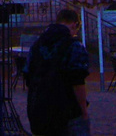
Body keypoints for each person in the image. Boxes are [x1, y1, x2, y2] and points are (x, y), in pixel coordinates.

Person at [25, 8, 90, 136]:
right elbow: (77, 81)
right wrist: (84, 110)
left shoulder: (37, 45)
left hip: (40, 110)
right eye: (76, 30)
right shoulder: (74, 46)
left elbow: (28, 76)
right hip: (68, 111)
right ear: (74, 24)